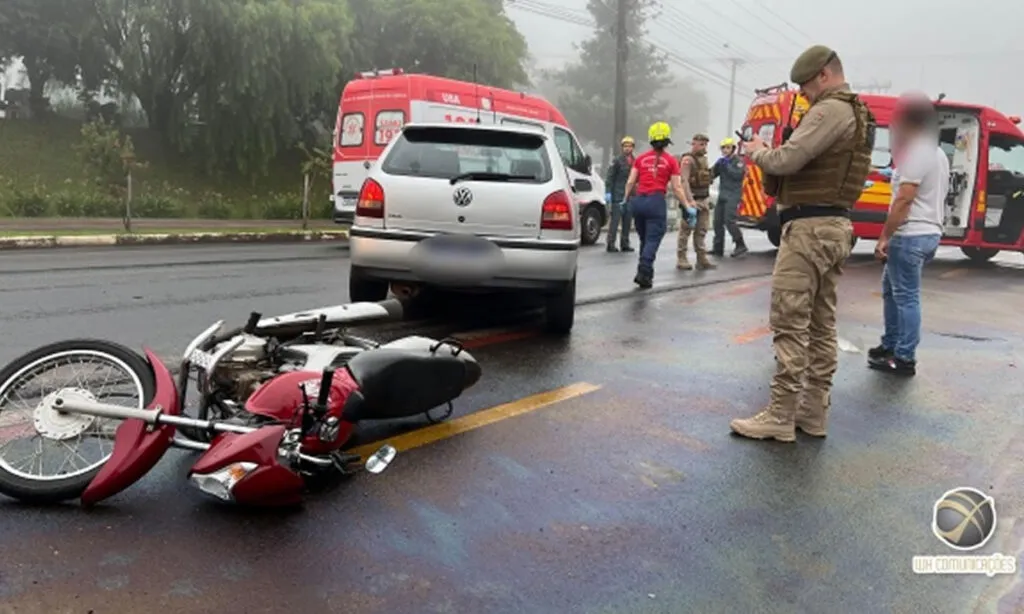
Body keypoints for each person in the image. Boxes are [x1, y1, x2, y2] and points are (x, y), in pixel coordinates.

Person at [728, 45, 875, 442]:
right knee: (821, 323)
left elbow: (788, 160)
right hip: (832, 225)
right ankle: (813, 412)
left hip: (810, 228)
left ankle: (780, 414)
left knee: (790, 320)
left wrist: (760, 153)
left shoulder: (831, 110)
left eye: (807, 86)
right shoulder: (857, 113)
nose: (805, 95)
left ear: (824, 75)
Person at [867, 93, 948, 377]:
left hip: (911, 234)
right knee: (892, 291)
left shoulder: (917, 152)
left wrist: (884, 237)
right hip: (926, 232)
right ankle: (890, 344)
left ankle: (904, 357)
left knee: (906, 296)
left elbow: (904, 200)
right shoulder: (935, 152)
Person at [621, 122, 693, 288]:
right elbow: (677, 187)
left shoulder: (640, 159)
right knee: (653, 239)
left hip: (638, 202)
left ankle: (646, 276)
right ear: (667, 140)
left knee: (644, 239)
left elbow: (631, 181)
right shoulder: (671, 161)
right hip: (656, 202)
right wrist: (687, 206)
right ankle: (644, 271)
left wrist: (625, 199)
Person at [677, 134, 717, 270]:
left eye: (705, 144)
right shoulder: (688, 160)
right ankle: (681, 258)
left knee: (701, 230)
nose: (704, 147)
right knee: (685, 231)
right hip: (692, 200)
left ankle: (701, 258)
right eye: (702, 144)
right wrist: (689, 200)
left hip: (703, 199)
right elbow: (684, 181)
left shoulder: (704, 160)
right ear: (694, 144)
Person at [711, 137, 749, 257]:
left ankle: (740, 244)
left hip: (733, 195)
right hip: (722, 194)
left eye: (728, 148)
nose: (725, 150)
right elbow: (712, 173)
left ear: (733, 149)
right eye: (723, 148)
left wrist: (727, 165)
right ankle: (718, 248)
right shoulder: (721, 161)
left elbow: (737, 175)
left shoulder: (738, 161)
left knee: (729, 221)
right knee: (717, 222)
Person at [604, 136, 637, 252]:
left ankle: (625, 243)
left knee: (627, 221)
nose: (627, 148)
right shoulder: (617, 161)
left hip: (630, 196)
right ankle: (611, 243)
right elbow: (610, 178)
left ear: (633, 148)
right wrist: (608, 192)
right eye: (625, 146)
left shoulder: (635, 161)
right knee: (615, 221)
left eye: (629, 146)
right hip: (618, 195)